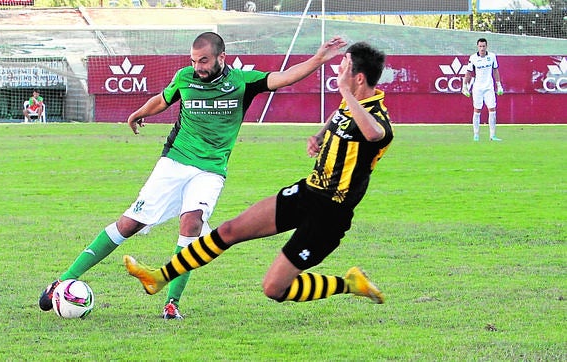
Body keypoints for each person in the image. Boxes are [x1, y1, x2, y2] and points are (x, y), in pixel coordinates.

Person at [38, 32, 348, 319]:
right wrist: (139, 113)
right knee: (129, 224)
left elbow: (282, 78)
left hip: (211, 169)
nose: (197, 67)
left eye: (203, 60)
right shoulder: (185, 77)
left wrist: (319, 58)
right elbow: (163, 99)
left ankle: (172, 303)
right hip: (174, 162)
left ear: (221, 58)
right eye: (193, 61)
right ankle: (64, 280)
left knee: (192, 222)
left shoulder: (243, 82)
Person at [124, 41, 393, 307]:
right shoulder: (349, 106)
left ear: (358, 78)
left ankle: (349, 283)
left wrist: (345, 91)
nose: (338, 72)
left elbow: (375, 134)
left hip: (330, 213)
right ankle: (159, 277)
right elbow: (340, 115)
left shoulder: (376, 116)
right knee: (229, 230)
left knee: (274, 288)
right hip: (307, 192)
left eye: (343, 67)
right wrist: (320, 136)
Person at [462, 38, 504, 141]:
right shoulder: (473, 58)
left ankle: (492, 135)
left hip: (489, 87)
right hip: (478, 88)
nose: (482, 48)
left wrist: (499, 85)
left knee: (492, 109)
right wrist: (464, 86)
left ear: (486, 46)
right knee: (477, 110)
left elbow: (495, 70)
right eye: (480, 46)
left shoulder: (492, 56)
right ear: (477, 47)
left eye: (483, 46)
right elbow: (468, 72)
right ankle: (476, 135)